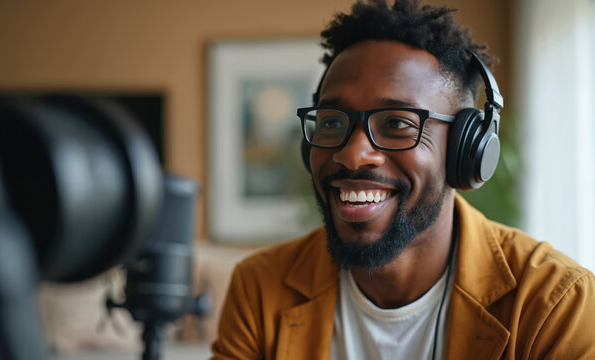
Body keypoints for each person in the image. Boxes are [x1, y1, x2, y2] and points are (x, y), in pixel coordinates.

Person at [211, 0, 595, 359]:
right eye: (331, 122)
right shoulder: (260, 287)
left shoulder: (555, 303)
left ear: (466, 150)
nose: (352, 154)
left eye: (397, 123)